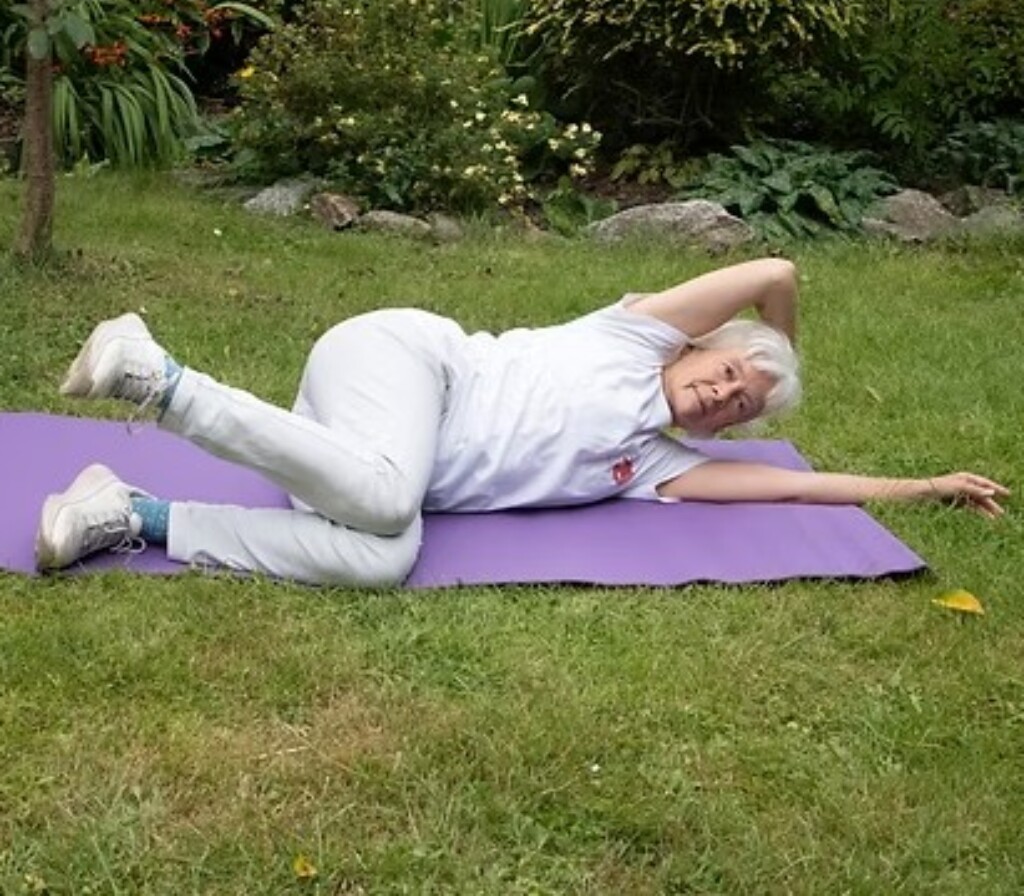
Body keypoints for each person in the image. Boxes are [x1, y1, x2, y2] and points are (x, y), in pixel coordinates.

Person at [35, 258, 1008, 586]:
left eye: (740, 406)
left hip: (345, 454)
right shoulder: (633, 335)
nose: (724, 394)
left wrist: (921, 487)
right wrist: (780, 346)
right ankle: (158, 376)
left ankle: (133, 513)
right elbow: (776, 275)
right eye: (725, 372)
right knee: (386, 506)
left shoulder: (659, 463)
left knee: (383, 553)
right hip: (402, 362)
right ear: (695, 348)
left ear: (727, 430)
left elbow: (795, 485)